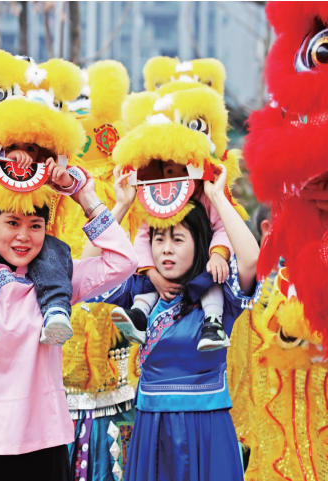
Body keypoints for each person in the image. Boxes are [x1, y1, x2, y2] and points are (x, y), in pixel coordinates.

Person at [0, 157, 139, 481]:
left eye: (35, 225)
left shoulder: (59, 281)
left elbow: (124, 262)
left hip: (45, 442)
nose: (24, 236)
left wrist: (84, 195)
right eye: (12, 223)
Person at [92, 165, 260, 481]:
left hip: (208, 430)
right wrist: (122, 204)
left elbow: (251, 260)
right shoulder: (138, 291)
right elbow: (90, 265)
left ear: (200, 242)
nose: (166, 249)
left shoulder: (220, 294)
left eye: (178, 239)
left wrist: (217, 197)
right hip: (151, 430)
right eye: (159, 239)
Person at [0, 145, 87, 349]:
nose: (23, 154)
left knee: (54, 247)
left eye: (31, 148)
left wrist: (63, 178)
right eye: (12, 146)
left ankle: (56, 310)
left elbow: (80, 178)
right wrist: (5, 161)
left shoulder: (42, 170)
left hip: (31, 250)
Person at [114, 160, 234, 351]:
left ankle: (213, 322)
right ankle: (139, 315)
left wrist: (218, 255)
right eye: (170, 171)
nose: (177, 176)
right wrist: (153, 274)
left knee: (212, 277)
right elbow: (143, 237)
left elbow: (223, 227)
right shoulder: (154, 198)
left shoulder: (207, 196)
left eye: (185, 169)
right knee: (142, 280)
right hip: (161, 271)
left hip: (202, 265)